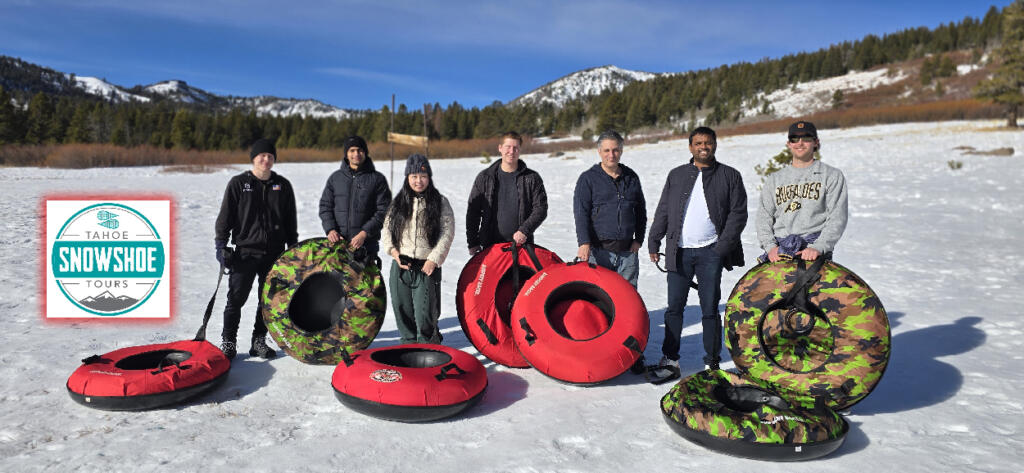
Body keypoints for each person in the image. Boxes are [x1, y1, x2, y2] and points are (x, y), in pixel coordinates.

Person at [648, 126, 747, 372]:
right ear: (690, 146)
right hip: (679, 251)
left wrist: (721, 248)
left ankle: (712, 361)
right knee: (674, 308)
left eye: (708, 143)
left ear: (715, 144)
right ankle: (670, 358)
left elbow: (738, 214)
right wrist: (654, 239)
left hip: (710, 252)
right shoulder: (677, 175)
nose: (704, 147)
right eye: (699, 143)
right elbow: (664, 210)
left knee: (710, 309)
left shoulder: (729, 175)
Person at [214, 138, 298, 360]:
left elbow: (290, 221)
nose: (266, 159)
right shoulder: (238, 183)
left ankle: (258, 341)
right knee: (236, 299)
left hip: (274, 253)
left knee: (267, 301)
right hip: (245, 252)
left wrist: (293, 249)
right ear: (253, 158)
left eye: (270, 156)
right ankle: (228, 341)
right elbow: (225, 218)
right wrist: (221, 245)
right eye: (262, 155)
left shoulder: (283, 185)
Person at [382, 154, 455, 344]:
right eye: (413, 176)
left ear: (429, 177)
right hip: (401, 265)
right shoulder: (398, 203)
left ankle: (429, 351)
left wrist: (434, 259)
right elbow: (386, 231)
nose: (418, 181)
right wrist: (393, 252)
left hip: (426, 265)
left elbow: (447, 232)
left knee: (425, 314)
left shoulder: (440, 202)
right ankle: (408, 350)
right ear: (407, 178)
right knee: (402, 311)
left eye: (422, 176)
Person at [757, 121, 848, 262]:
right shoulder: (774, 179)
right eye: (795, 139)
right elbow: (764, 217)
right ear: (789, 144)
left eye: (806, 138)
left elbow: (837, 217)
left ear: (816, 142)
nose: (800, 143)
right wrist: (770, 247)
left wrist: (818, 247)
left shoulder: (831, 175)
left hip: (814, 251)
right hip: (779, 252)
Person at [572, 130, 646, 287]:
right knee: (599, 297)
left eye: (615, 150)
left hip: (628, 253)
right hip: (599, 252)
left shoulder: (631, 177)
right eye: (606, 150)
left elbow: (641, 211)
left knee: (627, 297)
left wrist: (639, 239)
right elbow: (581, 213)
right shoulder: (588, 179)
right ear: (599, 151)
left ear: (621, 151)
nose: (611, 155)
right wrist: (584, 242)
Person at [466, 131, 547, 253]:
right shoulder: (485, 177)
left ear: (520, 150)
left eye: (515, 148)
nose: (511, 151)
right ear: (500, 148)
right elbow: (473, 212)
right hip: (490, 247)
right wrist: (473, 242)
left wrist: (525, 230)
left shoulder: (532, 178)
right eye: (508, 147)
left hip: (521, 247)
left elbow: (540, 209)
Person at [319, 136, 391, 260]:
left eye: (359, 150)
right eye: (352, 150)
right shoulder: (335, 178)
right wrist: (331, 229)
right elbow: (325, 206)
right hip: (338, 247)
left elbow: (384, 211)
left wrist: (364, 233)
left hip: (366, 247)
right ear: (346, 154)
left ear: (365, 153)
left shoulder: (377, 179)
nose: (356, 154)